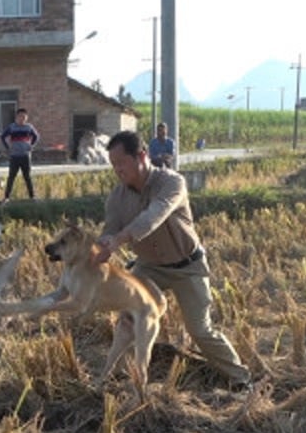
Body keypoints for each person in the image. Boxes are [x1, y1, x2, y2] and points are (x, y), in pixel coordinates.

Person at [94, 130, 251, 392]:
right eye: (113, 165)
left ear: (141, 156)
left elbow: (155, 215)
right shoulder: (117, 198)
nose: (117, 170)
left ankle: (240, 379)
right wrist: (99, 249)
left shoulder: (171, 183)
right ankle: (115, 377)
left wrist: (120, 238)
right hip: (148, 267)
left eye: (122, 163)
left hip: (187, 266)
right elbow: (109, 230)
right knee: (129, 319)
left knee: (200, 330)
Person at [0, 108, 39, 204]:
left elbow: (36, 136)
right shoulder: (12, 127)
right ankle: (6, 197)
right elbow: (3, 136)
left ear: (26, 117)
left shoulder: (29, 127)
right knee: (11, 177)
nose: (22, 118)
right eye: (20, 116)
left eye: (24, 116)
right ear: (16, 117)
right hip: (14, 156)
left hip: (25, 155)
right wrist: (7, 147)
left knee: (27, 177)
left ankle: (32, 197)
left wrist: (31, 145)